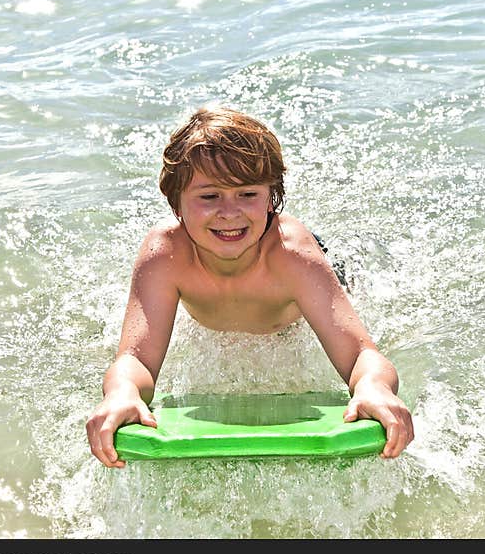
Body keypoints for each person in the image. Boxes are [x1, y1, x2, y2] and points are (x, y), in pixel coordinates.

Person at [86, 107, 414, 468]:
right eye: (209, 197)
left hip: (306, 275)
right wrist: (122, 392)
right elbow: (136, 359)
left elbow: (359, 355)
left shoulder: (293, 257)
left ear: (272, 197)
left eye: (247, 194)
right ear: (175, 203)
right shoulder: (165, 254)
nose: (230, 213)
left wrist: (373, 386)